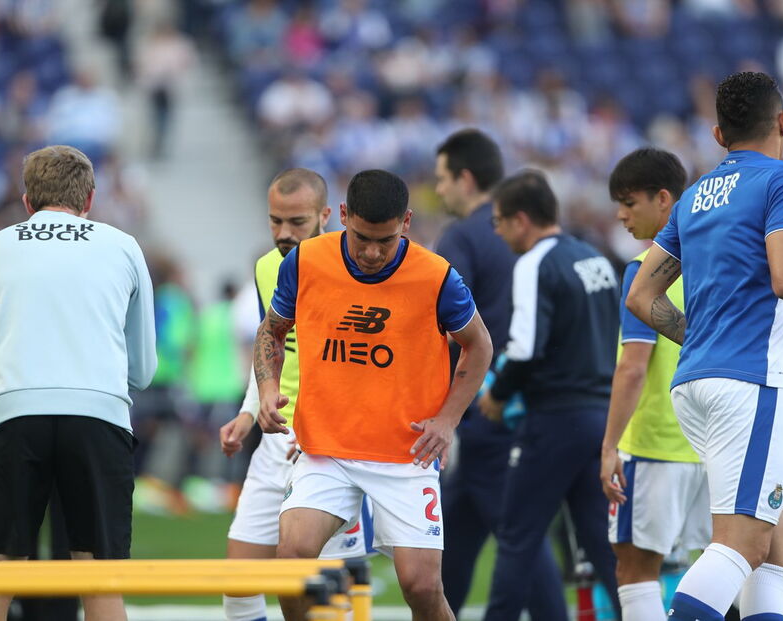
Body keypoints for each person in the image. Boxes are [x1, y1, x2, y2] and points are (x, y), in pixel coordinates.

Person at [626, 71, 783, 621]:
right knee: (742, 545)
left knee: (780, 546)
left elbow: (641, 295)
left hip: (694, 384)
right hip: (750, 385)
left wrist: (698, 337)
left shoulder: (694, 196)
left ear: (718, 135)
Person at [254, 169, 492, 621]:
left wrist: (447, 420)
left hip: (407, 453)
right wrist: (268, 389)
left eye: (385, 240)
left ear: (407, 222)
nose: (371, 252)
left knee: (422, 586)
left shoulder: (437, 276)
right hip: (327, 449)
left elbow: (479, 345)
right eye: (362, 237)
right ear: (344, 216)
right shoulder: (305, 261)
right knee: (292, 562)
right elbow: (272, 330)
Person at [0, 145, 157, 621]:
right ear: (89, 198)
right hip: (99, 415)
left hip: (12, 413)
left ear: (26, 201)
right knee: (99, 583)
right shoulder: (123, 246)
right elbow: (143, 369)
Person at [218, 168, 373, 621]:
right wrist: (249, 412)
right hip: (278, 440)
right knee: (238, 585)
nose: (284, 233)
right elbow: (272, 348)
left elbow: (367, 367)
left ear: (326, 216)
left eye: (297, 222)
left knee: (324, 594)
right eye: (275, 220)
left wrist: (326, 428)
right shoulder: (267, 267)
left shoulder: (358, 269)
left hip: (333, 447)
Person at [433, 129, 566, 620]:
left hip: (488, 408)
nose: (439, 189)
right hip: (522, 402)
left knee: (518, 537)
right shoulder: (526, 235)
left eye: (443, 179)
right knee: (454, 534)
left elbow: (442, 325)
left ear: (466, 179)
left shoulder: (461, 237)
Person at [478, 170, 621, 621]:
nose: (498, 233)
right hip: (600, 419)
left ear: (521, 220)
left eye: (499, 222)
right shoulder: (594, 257)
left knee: (516, 537)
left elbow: (524, 349)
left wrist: (497, 394)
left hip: (555, 420)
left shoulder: (534, 263)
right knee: (601, 543)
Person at [600, 148, 710, 621]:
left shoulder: (645, 268)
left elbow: (633, 366)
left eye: (629, 203)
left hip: (654, 446)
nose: (621, 215)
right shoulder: (714, 261)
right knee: (719, 567)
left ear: (664, 199)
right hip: (710, 442)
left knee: (636, 571)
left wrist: (609, 447)